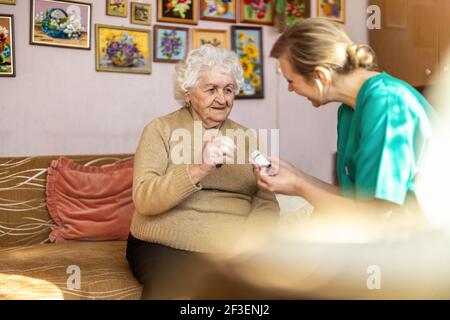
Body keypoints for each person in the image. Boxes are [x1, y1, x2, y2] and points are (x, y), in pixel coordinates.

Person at [126, 45, 280, 300]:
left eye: (228, 89)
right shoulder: (160, 130)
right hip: (165, 246)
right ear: (188, 94)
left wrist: (250, 243)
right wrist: (199, 168)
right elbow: (144, 198)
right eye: (211, 89)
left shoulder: (247, 138)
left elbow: (266, 201)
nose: (222, 98)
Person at [252, 18, 436, 220]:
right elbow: (355, 201)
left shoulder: (387, 104)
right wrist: (297, 176)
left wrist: (299, 187)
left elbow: (374, 217)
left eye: (291, 81)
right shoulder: (349, 110)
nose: (290, 88)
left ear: (320, 76)